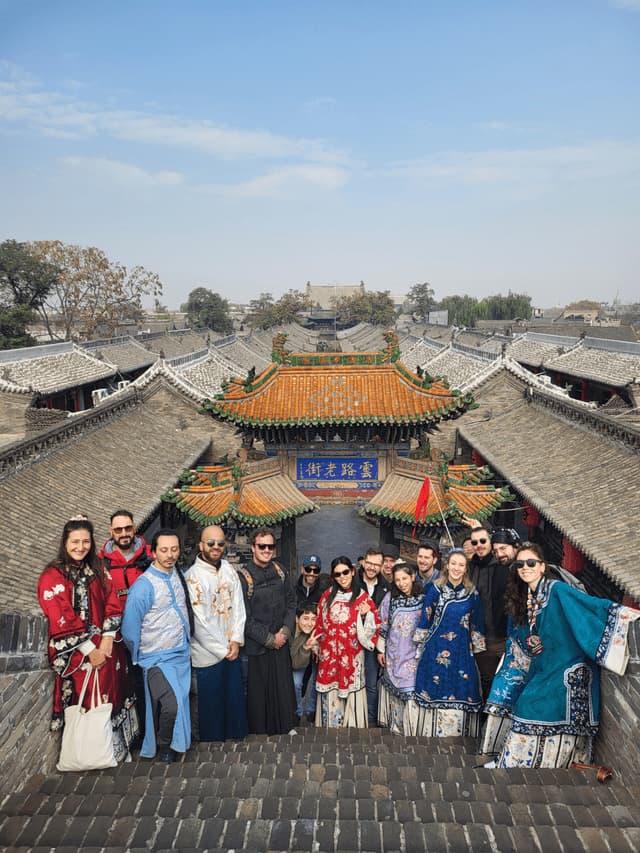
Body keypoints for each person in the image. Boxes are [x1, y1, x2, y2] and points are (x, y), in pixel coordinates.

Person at [481, 542, 640, 769]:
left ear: (542, 566)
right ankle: (522, 761)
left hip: (569, 665)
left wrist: (626, 615)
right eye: (520, 564)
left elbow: (590, 606)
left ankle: (523, 762)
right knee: (523, 700)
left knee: (529, 704)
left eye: (531, 563)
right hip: (547, 663)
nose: (525, 568)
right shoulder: (530, 596)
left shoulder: (557, 590)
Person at [37, 517, 138, 761]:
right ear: (65, 542)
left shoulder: (97, 568)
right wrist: (89, 649)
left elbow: (112, 599)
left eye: (85, 542)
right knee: (91, 698)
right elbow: (60, 614)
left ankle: (116, 750)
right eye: (75, 542)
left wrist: (108, 637)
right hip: (80, 654)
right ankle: (93, 753)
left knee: (115, 691)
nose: (80, 547)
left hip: (106, 646)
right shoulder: (53, 576)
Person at [121, 529, 193, 763]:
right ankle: (166, 745)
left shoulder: (177, 574)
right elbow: (130, 628)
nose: (170, 555)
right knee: (171, 704)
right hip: (156, 657)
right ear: (153, 552)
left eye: (174, 549)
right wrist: (138, 655)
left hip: (181, 653)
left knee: (182, 700)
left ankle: (178, 744)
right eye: (164, 550)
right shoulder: (143, 586)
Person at [412, 549, 486, 737]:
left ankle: (458, 731)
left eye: (461, 565)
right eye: (453, 563)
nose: (456, 568)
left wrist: (476, 645)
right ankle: (431, 731)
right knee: (434, 683)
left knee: (461, 683)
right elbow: (426, 617)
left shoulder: (471, 593)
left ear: (466, 568)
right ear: (446, 565)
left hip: (461, 647)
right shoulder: (434, 589)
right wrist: (420, 644)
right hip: (436, 646)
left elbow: (477, 620)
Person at [184, 525, 247, 742]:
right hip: (208, 654)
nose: (216, 547)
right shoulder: (192, 577)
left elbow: (239, 606)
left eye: (220, 543)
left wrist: (236, 639)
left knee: (233, 702)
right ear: (201, 545)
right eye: (210, 543)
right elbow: (198, 622)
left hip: (232, 647)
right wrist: (223, 650)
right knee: (210, 707)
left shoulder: (229, 569)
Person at [238, 527, 297, 735]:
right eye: (262, 546)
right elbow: (244, 617)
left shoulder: (280, 571)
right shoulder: (243, 578)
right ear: (253, 548)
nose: (266, 550)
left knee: (282, 687)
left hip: (281, 639)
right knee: (258, 692)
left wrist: (285, 632)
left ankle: (285, 726)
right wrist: (269, 639)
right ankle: (260, 732)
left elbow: (292, 602)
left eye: (270, 546)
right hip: (259, 645)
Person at [98, 509, 152, 735]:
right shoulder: (101, 563)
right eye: (118, 529)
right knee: (125, 684)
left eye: (128, 528)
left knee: (150, 682)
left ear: (134, 528)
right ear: (111, 531)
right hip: (118, 637)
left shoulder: (149, 556)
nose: (123, 533)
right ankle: (134, 733)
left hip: (149, 632)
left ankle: (153, 730)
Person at [315, 556, 380, 728]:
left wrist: (366, 616)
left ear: (352, 571)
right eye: (337, 574)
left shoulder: (362, 597)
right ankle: (330, 727)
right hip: (329, 655)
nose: (342, 577)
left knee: (352, 690)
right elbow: (319, 623)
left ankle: (353, 728)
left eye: (345, 572)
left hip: (352, 655)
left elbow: (375, 626)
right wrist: (316, 645)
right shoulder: (327, 596)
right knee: (331, 691)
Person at [377, 562, 424, 735]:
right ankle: (396, 726)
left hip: (414, 653)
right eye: (397, 580)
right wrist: (380, 650)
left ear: (413, 577)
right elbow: (382, 624)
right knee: (395, 690)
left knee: (410, 690)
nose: (401, 583)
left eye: (405, 578)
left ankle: (411, 729)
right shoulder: (390, 598)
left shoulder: (424, 598)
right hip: (394, 651)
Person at [467, 525, 507, 697]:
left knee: (508, 680)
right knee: (487, 679)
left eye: (483, 541)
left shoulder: (503, 565)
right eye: (475, 542)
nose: (479, 545)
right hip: (481, 637)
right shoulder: (469, 568)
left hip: (504, 635)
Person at [358, 547, 389, 724]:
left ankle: (370, 719)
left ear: (382, 566)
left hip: (373, 642)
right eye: (369, 563)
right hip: (352, 640)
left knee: (371, 682)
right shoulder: (352, 582)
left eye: (376, 564)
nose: (371, 567)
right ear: (363, 562)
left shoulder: (387, 587)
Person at [290, 603, 320, 724]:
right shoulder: (288, 630)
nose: (310, 623)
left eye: (313, 619)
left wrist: (307, 647)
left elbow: (297, 664)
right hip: (286, 662)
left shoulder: (311, 635)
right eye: (306, 618)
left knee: (296, 682)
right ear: (297, 619)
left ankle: (298, 713)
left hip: (298, 661)